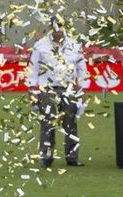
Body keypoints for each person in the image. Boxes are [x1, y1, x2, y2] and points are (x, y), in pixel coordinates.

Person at [27, 23, 88, 168]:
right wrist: (31, 90)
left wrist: (83, 90)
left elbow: (81, 69)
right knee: (48, 121)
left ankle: (72, 157)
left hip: (69, 87)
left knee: (71, 121)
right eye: (55, 28)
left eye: (60, 27)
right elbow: (33, 67)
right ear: (50, 27)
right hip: (46, 88)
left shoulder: (74, 44)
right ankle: (46, 158)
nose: (58, 31)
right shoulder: (40, 45)